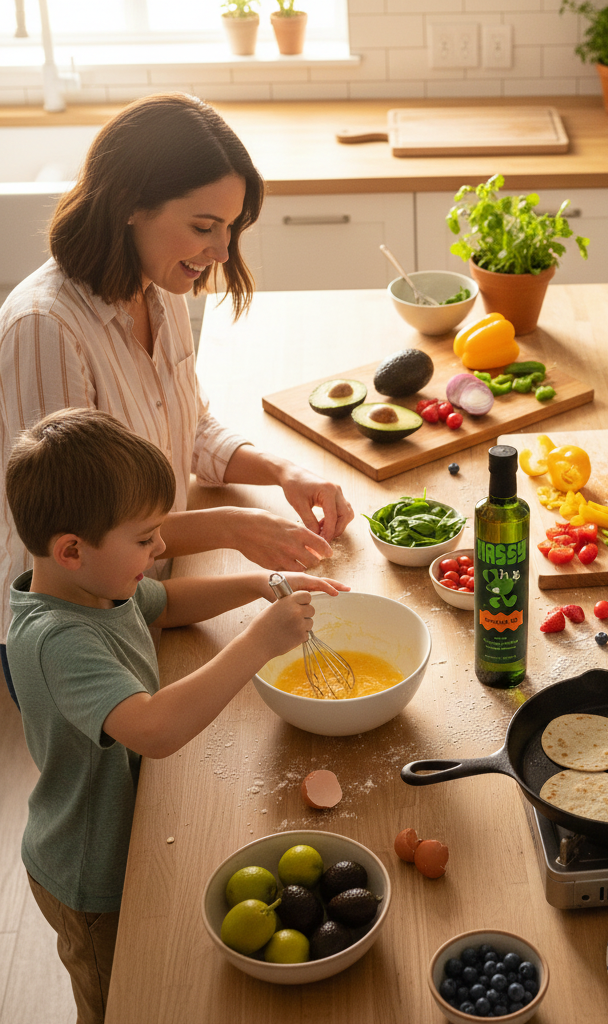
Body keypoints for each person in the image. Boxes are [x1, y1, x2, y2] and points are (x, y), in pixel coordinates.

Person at [0, 92, 355, 706]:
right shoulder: (45, 328)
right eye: (203, 227)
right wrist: (230, 525)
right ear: (130, 205)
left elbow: (186, 426)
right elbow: (79, 527)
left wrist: (282, 473)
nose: (220, 253)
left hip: (146, 591)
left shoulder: (156, 284)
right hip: (79, 627)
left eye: (230, 228)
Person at [4, 407, 350, 1024]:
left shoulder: (94, 586)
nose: (162, 547)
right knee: (121, 1000)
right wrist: (258, 643)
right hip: (92, 870)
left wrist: (260, 583)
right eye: (145, 539)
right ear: (72, 549)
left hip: (129, 831)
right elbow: (154, 729)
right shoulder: (58, 638)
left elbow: (162, 602)